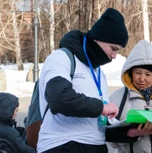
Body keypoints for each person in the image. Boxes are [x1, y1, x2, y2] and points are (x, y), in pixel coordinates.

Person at [37, 8, 128, 153]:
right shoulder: (61, 58)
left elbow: (96, 125)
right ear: (98, 38)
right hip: (63, 144)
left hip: (96, 146)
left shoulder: (99, 74)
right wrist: (101, 108)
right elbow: (59, 99)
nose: (114, 56)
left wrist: (130, 133)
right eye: (113, 48)